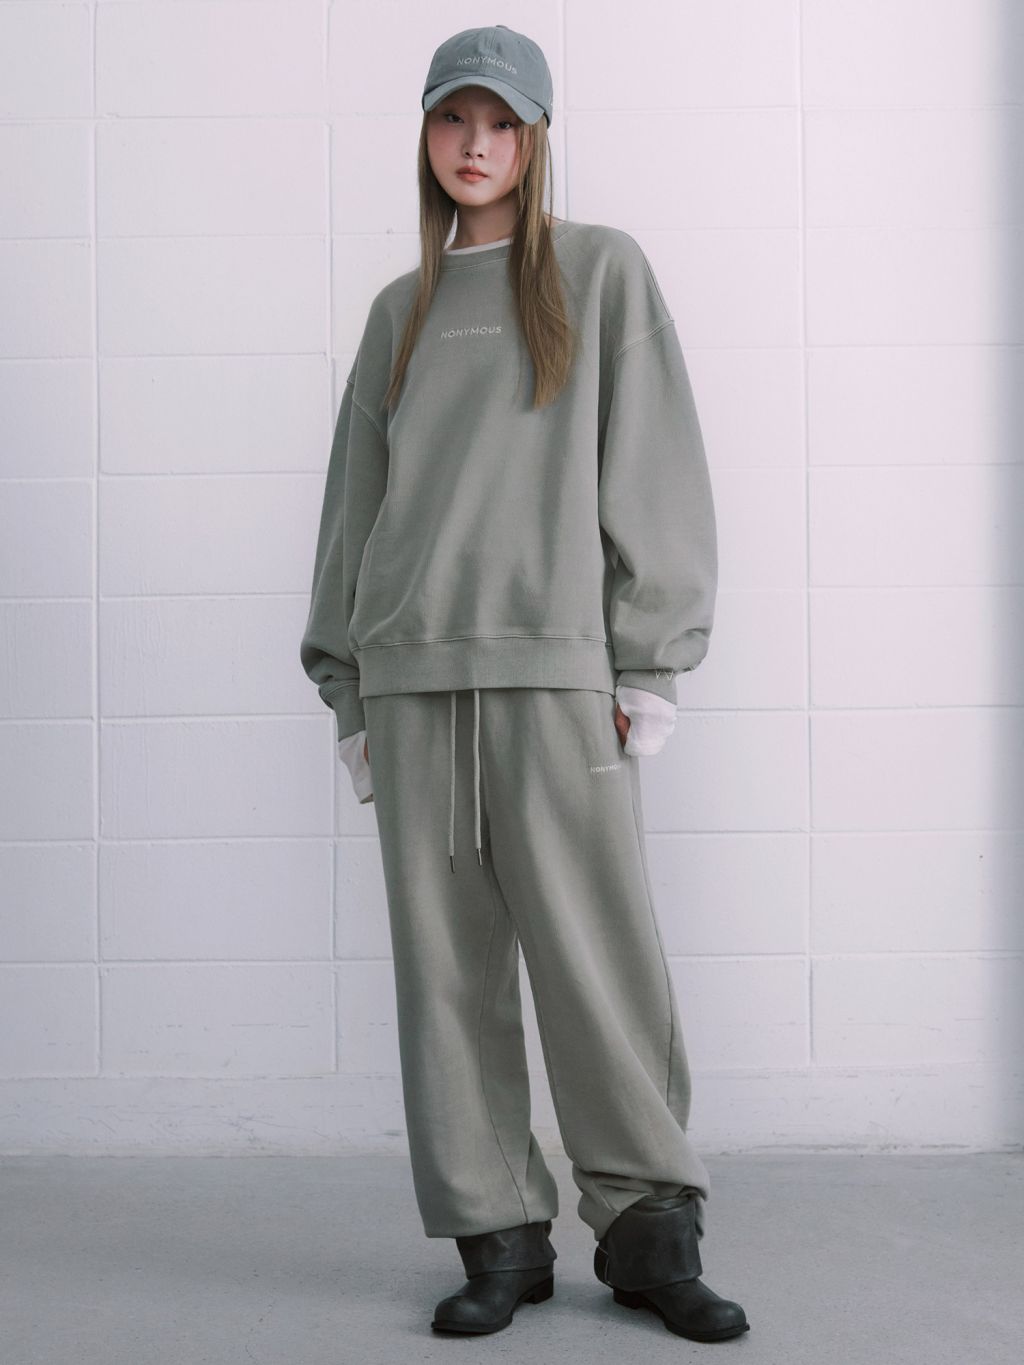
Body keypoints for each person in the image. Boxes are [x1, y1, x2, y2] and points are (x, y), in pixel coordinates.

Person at [300, 23, 749, 1344]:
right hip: (415, 683)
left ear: (536, 140)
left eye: (501, 123)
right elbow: (354, 509)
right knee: (447, 977)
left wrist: (648, 658)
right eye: (455, 119)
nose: (476, 144)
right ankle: (497, 1234)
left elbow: (653, 464)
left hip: (559, 680)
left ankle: (649, 1226)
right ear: (427, 135)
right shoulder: (401, 312)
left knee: (598, 959)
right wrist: (350, 688)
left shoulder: (600, 274)